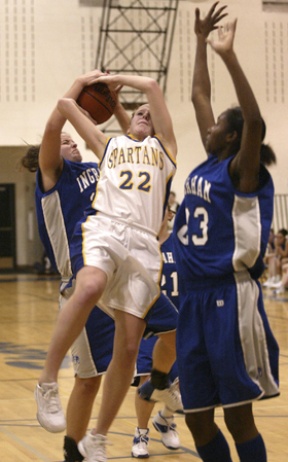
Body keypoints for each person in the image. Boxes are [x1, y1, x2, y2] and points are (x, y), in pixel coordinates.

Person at [34, 70, 178, 462]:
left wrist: (116, 99)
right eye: (64, 141)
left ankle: (151, 396)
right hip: (99, 246)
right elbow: (62, 112)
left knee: (135, 345)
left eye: (71, 138)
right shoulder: (66, 169)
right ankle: (51, 393)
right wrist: (87, 83)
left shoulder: (141, 156)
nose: (69, 142)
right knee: (88, 373)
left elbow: (146, 102)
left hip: (140, 250)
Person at [173, 3, 279, 462]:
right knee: (196, 416)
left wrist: (229, 56)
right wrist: (199, 42)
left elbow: (254, 121)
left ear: (233, 138)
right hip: (192, 299)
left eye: (218, 124)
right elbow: (199, 97)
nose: (209, 124)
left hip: (229, 297)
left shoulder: (242, 172)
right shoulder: (210, 162)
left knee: (238, 416)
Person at [131, 207, 180, 458]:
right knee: (147, 379)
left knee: (182, 382)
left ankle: (166, 418)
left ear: (169, 214)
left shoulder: (180, 244)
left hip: (177, 326)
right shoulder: (139, 245)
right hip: (149, 325)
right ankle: (141, 433)